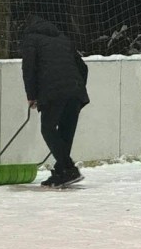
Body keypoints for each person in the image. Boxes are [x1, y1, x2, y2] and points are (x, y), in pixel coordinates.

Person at [20, 14, 90, 187]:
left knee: (48, 129)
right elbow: (83, 67)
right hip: (76, 92)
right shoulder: (63, 39)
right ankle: (62, 171)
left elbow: (29, 68)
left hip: (53, 92)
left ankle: (68, 169)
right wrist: (76, 87)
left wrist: (31, 95)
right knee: (65, 132)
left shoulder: (31, 39)